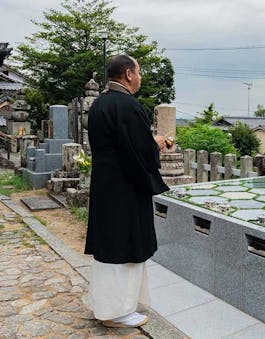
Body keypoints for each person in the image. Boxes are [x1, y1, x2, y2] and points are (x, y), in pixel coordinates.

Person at [83, 55, 169, 328]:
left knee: (109, 247)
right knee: (126, 245)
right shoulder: (128, 106)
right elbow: (138, 153)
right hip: (126, 190)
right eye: (139, 71)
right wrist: (158, 145)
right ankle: (118, 312)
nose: (141, 76)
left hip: (106, 186)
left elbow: (122, 146)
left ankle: (106, 305)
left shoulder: (100, 104)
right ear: (129, 74)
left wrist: (148, 143)